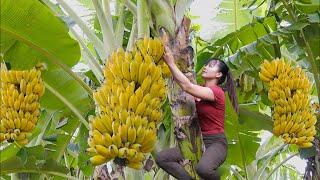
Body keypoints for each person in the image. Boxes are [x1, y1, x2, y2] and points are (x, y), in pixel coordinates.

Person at [155, 45, 239, 180]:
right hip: (195, 140)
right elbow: (186, 83)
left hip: (215, 143)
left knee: (203, 169)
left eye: (211, 66)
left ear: (218, 75)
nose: (205, 67)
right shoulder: (200, 89)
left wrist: (170, 62)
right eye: (206, 65)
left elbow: (187, 86)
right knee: (162, 158)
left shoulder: (217, 92)